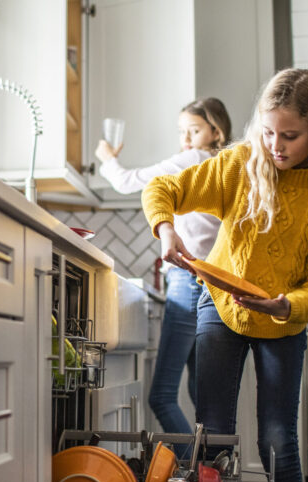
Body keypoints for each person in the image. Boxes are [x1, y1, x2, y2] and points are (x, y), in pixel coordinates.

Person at [141, 69, 308, 482]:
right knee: (214, 437)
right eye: (268, 132)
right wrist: (166, 229)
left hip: (284, 320)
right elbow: (162, 190)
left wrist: (287, 305)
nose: (275, 146)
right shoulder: (241, 162)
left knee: (278, 442)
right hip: (220, 307)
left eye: (290, 136)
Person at [95, 97, 232, 459]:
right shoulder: (222, 166)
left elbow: (129, 182)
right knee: (200, 396)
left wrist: (108, 157)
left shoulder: (194, 161)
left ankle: (196, 481)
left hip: (188, 283)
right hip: (208, 284)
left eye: (195, 130)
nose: (186, 139)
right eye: (182, 132)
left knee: (161, 396)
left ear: (215, 131)